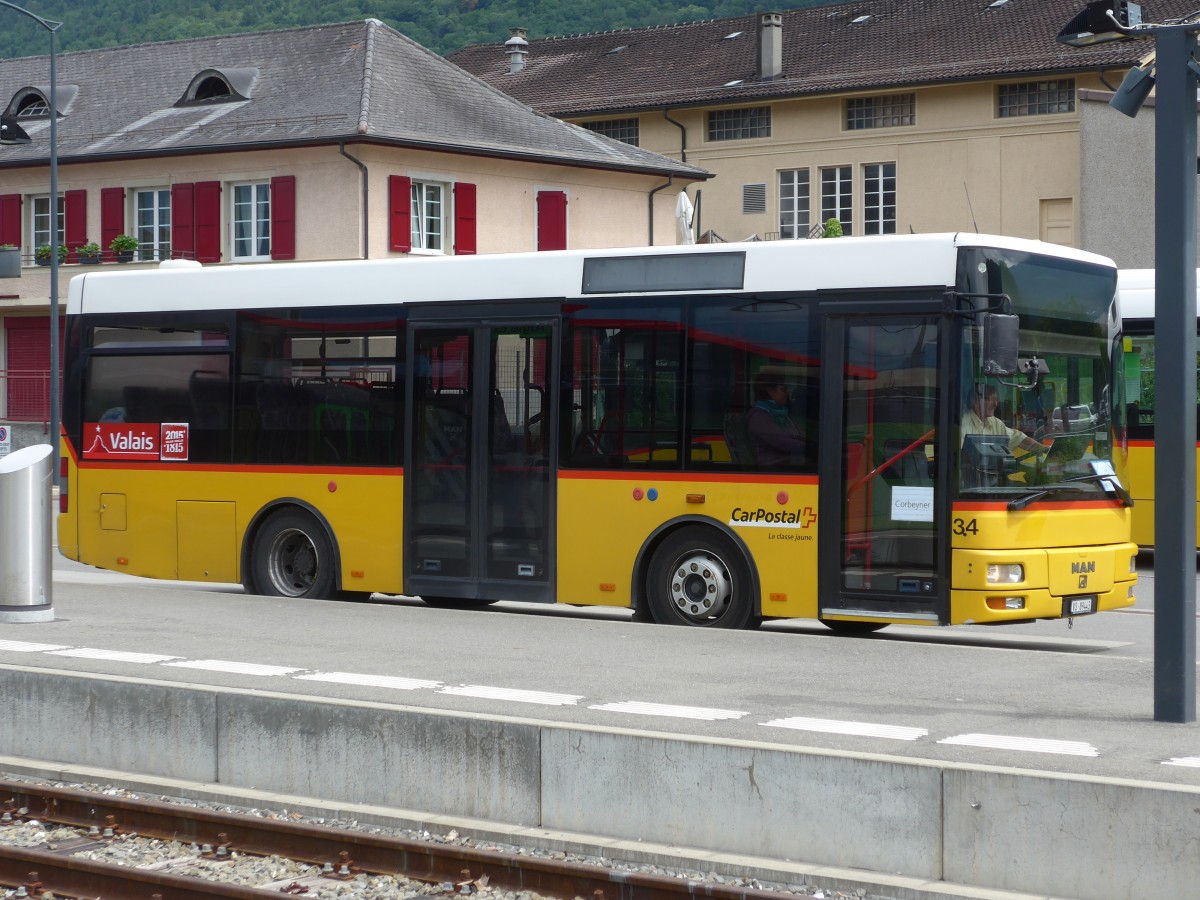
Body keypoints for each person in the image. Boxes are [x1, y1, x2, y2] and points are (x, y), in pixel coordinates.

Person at [961, 383, 1045, 456]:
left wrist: (1045, 450)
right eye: (990, 399)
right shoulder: (963, 425)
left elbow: (1019, 439)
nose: (995, 404)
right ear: (975, 402)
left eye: (996, 400)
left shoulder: (995, 423)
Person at [746, 369, 805, 466]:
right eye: (784, 389)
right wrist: (808, 449)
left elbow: (800, 434)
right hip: (772, 467)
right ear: (770, 391)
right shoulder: (758, 416)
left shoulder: (783, 413)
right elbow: (781, 442)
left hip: (789, 462)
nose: (787, 393)